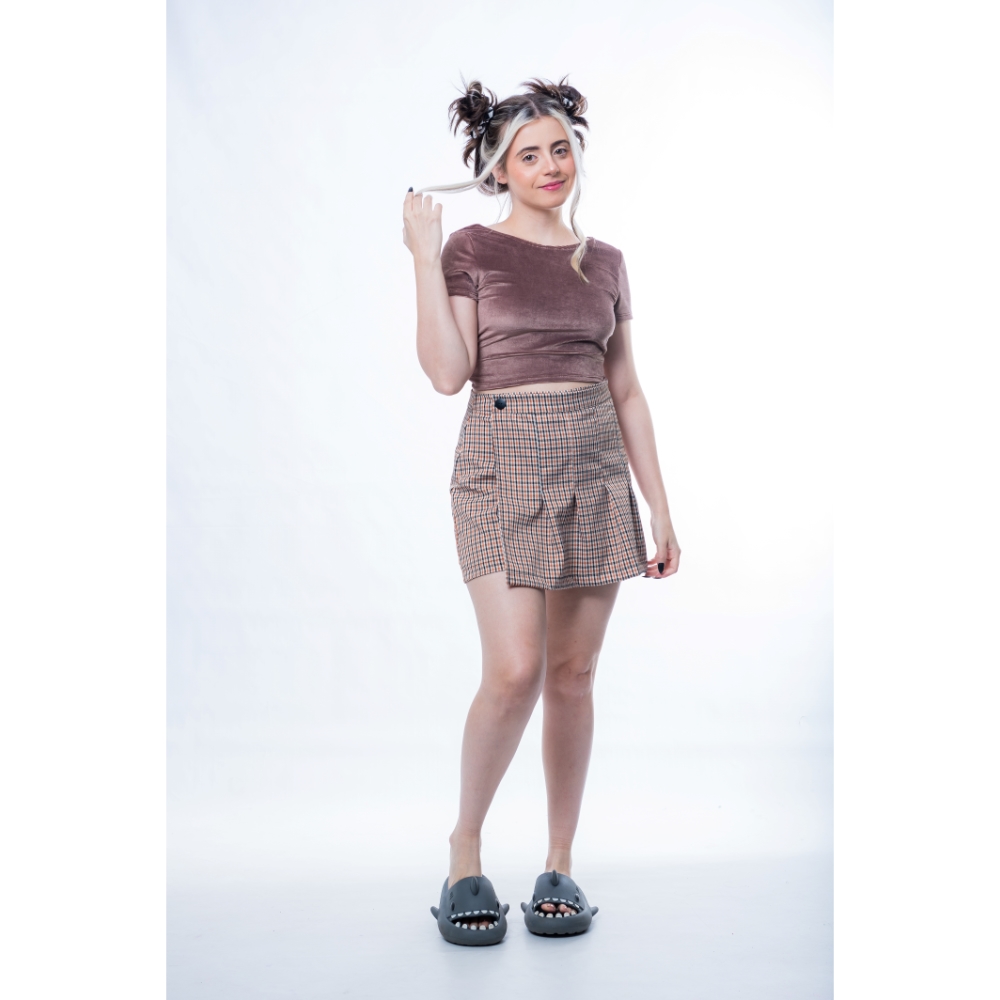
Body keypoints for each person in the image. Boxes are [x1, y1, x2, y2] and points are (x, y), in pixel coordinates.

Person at [402, 77, 680, 946]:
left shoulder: (606, 262)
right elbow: (447, 374)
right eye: (530, 154)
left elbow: (627, 390)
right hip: (500, 463)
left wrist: (660, 508)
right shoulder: (472, 249)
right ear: (498, 171)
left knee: (573, 674)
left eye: (561, 148)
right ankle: (464, 852)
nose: (551, 165)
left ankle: (559, 862)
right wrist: (423, 257)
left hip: (593, 464)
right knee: (516, 669)